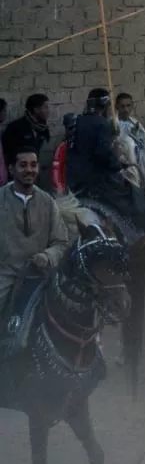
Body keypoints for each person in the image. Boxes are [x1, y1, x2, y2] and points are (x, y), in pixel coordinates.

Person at [0, 150, 70, 352]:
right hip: (6, 274)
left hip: (40, 275)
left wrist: (46, 256)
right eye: (23, 165)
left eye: (33, 165)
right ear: (12, 169)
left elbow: (61, 242)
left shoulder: (47, 202)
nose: (28, 170)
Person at [68, 88, 145, 233]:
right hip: (98, 181)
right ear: (105, 105)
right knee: (140, 199)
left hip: (75, 180)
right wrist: (118, 163)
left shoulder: (77, 121)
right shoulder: (103, 124)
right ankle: (141, 236)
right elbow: (102, 154)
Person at [1, 94, 53, 183]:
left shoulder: (43, 129)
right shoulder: (15, 128)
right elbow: (6, 155)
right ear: (36, 110)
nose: (48, 111)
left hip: (35, 176)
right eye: (45, 107)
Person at [114, 92, 145, 190]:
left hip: (137, 171)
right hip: (121, 172)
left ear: (132, 106)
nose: (126, 109)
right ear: (116, 106)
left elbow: (144, 151)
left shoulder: (137, 126)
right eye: (122, 106)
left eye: (128, 106)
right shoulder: (112, 125)